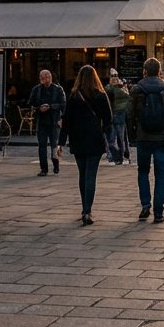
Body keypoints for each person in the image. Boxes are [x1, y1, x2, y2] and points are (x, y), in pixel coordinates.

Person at [128, 58, 164, 223]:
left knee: (143, 171)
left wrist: (132, 137)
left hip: (143, 138)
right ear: (160, 71)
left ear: (144, 71)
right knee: (160, 175)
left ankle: (145, 204)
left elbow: (129, 115)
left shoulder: (137, 89)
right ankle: (158, 212)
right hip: (162, 137)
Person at [58, 66, 113, 226]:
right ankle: (87, 211)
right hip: (94, 139)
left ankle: (84, 208)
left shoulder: (74, 96)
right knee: (91, 176)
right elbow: (109, 119)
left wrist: (60, 142)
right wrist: (103, 132)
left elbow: (66, 121)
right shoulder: (100, 95)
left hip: (78, 140)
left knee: (82, 174)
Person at [27, 69, 66, 176]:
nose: (46, 80)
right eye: (43, 78)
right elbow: (30, 103)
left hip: (54, 121)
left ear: (51, 77)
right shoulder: (36, 89)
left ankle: (56, 165)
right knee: (42, 146)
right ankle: (44, 169)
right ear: (40, 79)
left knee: (54, 145)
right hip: (42, 121)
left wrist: (51, 107)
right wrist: (39, 107)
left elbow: (63, 104)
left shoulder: (58, 89)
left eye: (48, 77)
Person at [106, 76, 132, 164]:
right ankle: (121, 157)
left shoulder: (115, 90)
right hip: (118, 116)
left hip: (116, 115)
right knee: (121, 139)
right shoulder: (122, 89)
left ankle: (118, 157)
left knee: (114, 140)